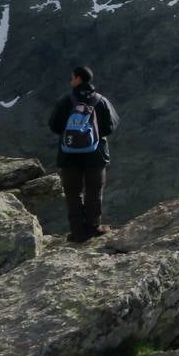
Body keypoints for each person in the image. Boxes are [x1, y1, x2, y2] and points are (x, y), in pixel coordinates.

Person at [48, 65, 119, 243]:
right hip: (96, 155)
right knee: (94, 192)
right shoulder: (101, 101)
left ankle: (77, 232)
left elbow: (54, 125)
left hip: (69, 155)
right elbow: (110, 126)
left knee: (73, 193)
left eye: (72, 78)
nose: (71, 81)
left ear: (78, 79)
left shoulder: (65, 101)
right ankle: (93, 228)